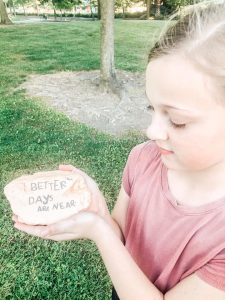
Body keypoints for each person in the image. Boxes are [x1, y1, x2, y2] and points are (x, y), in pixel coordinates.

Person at [13, 1, 225, 299]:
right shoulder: (143, 158)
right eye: (152, 108)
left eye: (177, 121)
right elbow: (121, 237)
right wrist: (99, 217)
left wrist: (99, 231)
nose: (152, 131)